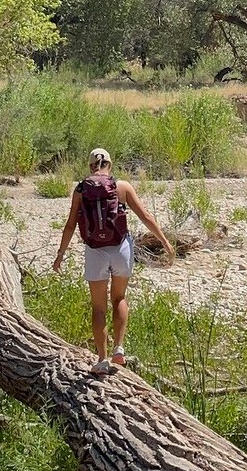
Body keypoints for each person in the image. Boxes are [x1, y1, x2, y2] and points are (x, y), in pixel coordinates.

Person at [53, 147, 174, 375]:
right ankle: (119, 347)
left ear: (91, 166)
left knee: (98, 307)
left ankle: (101, 358)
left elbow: (70, 225)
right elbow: (145, 216)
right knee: (119, 297)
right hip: (121, 248)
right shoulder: (122, 186)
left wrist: (61, 254)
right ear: (110, 164)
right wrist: (165, 242)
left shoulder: (80, 189)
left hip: (94, 251)